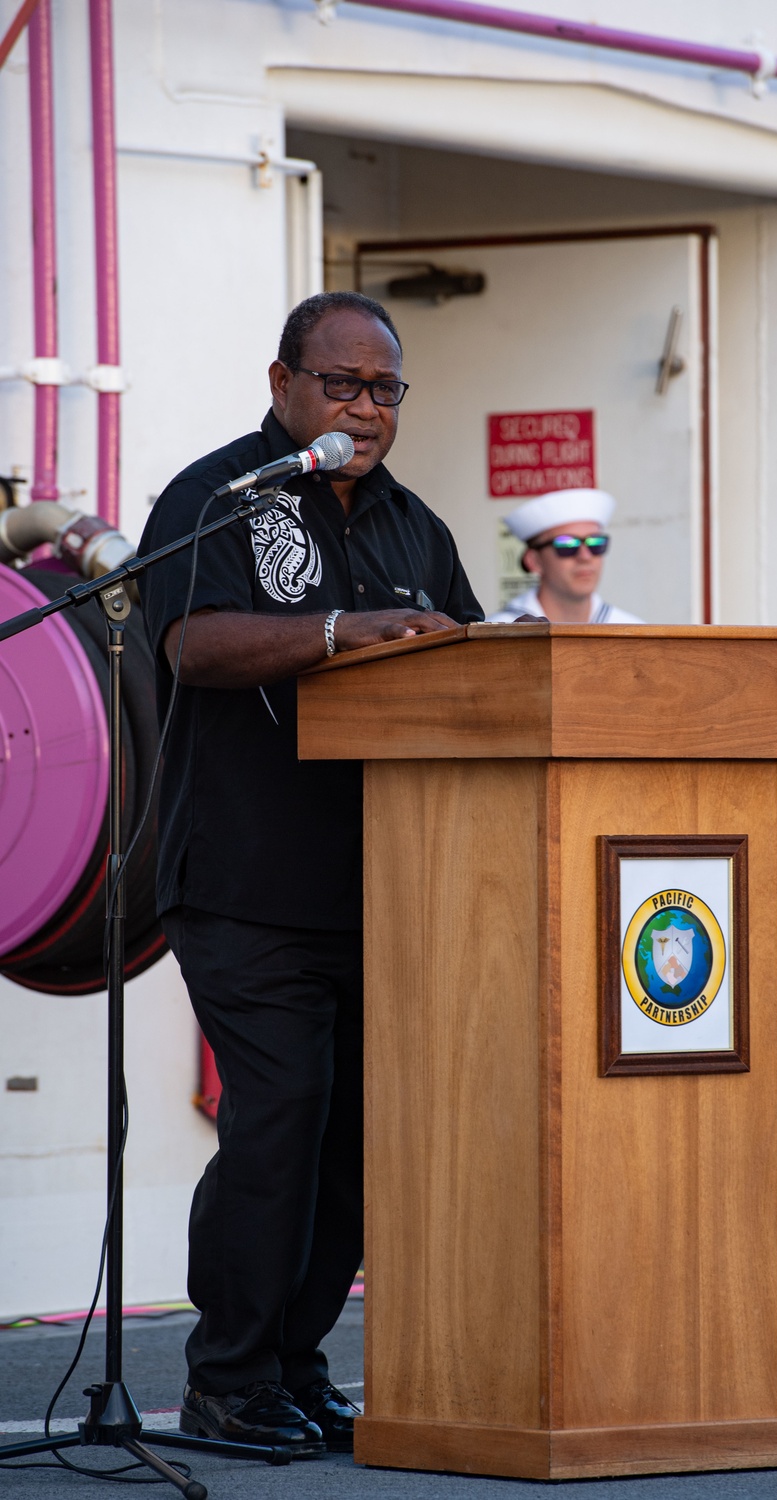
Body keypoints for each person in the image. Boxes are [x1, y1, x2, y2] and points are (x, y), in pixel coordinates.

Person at [138, 291, 482, 1457]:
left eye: (385, 389)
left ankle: (292, 1364)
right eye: (342, 385)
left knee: (356, 1140)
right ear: (282, 383)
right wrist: (343, 633)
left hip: (384, 888)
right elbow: (194, 641)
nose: (366, 409)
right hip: (241, 879)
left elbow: (470, 664)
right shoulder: (220, 497)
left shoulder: (412, 525)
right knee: (279, 1120)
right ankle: (224, 1379)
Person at [488, 488, 644, 624]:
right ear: (534, 561)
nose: (585, 556)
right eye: (567, 544)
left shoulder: (633, 635)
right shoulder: (496, 636)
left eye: (595, 543)